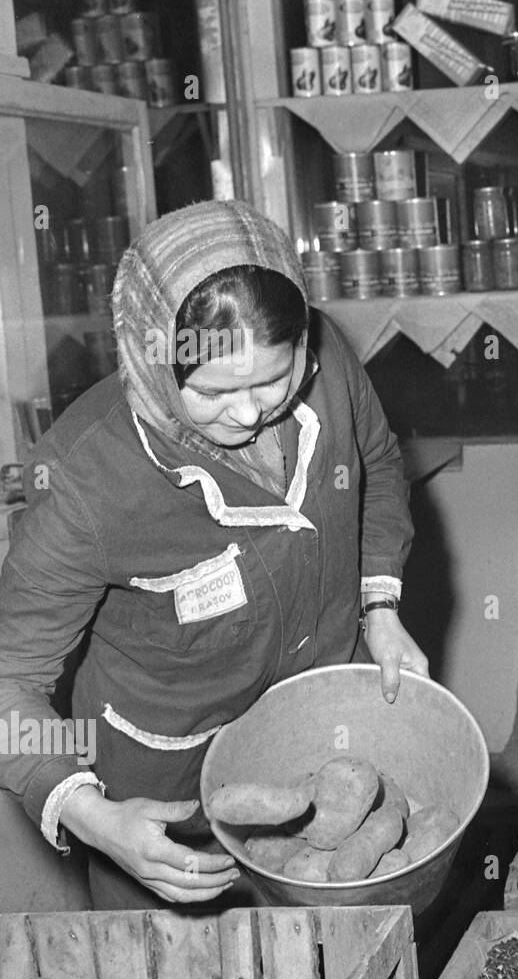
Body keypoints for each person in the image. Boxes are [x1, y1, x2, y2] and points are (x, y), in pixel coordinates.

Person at [0, 199, 428, 910]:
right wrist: (92, 816)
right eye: (215, 392)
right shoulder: (85, 481)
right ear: (152, 359)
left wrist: (379, 605)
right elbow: (8, 682)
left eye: (273, 380)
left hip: (321, 735)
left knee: (342, 959)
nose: (251, 413)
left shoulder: (327, 364)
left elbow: (377, 464)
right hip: (163, 798)